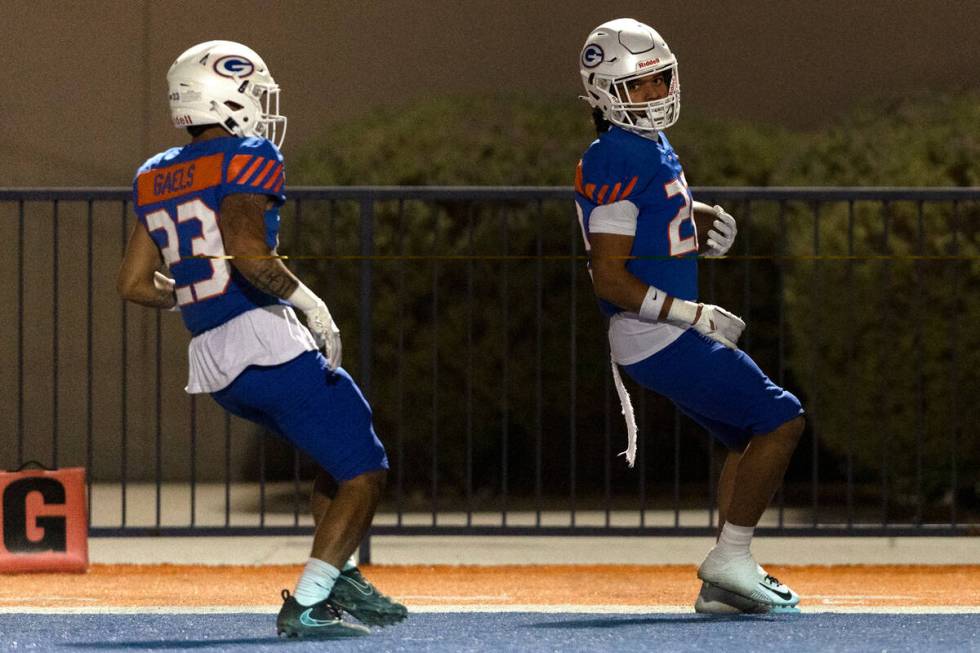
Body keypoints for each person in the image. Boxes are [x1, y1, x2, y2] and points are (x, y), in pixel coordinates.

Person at [117, 40, 407, 638]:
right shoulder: (248, 154)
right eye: (253, 91)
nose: (261, 106)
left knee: (340, 451)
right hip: (261, 338)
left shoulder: (155, 174)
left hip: (211, 357)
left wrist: (189, 291)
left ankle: (342, 574)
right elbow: (249, 253)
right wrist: (310, 301)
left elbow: (133, 283)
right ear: (222, 95)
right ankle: (308, 601)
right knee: (366, 468)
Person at [575, 19, 806, 614]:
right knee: (781, 419)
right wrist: (694, 314)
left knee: (747, 435)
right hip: (658, 334)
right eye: (639, 86)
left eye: (660, 81)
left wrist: (694, 218)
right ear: (602, 89)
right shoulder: (614, 156)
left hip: (661, 331)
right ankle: (730, 558)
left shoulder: (643, 145)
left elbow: (652, 214)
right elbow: (610, 275)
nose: (654, 95)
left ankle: (728, 580)